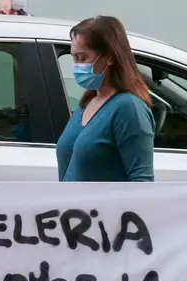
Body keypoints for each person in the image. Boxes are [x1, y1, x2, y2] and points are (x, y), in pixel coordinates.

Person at [55, 16, 154, 182]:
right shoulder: (86, 104)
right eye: (74, 58)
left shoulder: (128, 108)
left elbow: (141, 182)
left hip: (103, 209)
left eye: (82, 58)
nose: (77, 66)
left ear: (109, 57)